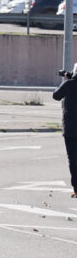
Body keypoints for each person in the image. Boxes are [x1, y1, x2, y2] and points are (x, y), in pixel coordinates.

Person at [51, 63, 77, 198]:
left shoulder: (69, 84)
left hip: (71, 129)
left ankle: (76, 189)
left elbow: (56, 95)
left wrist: (66, 80)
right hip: (71, 129)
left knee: (73, 160)